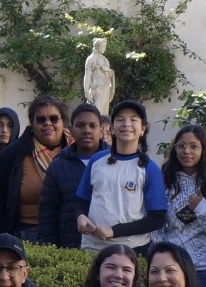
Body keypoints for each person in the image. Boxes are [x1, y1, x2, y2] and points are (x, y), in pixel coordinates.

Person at [71, 100, 168, 253]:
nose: (126, 124)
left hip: (132, 249)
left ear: (142, 129)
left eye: (133, 120)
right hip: (91, 248)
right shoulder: (96, 161)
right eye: (120, 119)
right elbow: (81, 200)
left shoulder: (149, 168)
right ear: (112, 129)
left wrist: (114, 231)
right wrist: (80, 216)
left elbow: (157, 218)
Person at [0, 96, 69, 240]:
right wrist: (3, 239)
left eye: (54, 118)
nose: (48, 123)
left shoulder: (78, 152)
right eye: (40, 119)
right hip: (27, 236)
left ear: (63, 121)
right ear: (32, 123)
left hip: (70, 234)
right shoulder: (12, 156)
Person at [156, 124, 206, 287]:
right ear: (175, 149)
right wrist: (161, 255)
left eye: (193, 146)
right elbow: (157, 225)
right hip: (172, 265)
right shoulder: (164, 182)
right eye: (181, 146)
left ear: (203, 149)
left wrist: (203, 208)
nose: (186, 151)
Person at [36, 103, 104, 247]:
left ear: (102, 130)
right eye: (80, 125)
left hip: (109, 245)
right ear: (71, 131)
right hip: (71, 248)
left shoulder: (115, 161)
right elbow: (48, 215)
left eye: (93, 126)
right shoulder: (59, 165)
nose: (86, 130)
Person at [83, 37, 115, 114]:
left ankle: (103, 126)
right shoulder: (90, 59)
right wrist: (86, 91)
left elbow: (110, 74)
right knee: (96, 111)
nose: (104, 48)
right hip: (95, 88)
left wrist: (106, 69)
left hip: (106, 87)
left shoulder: (105, 60)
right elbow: (87, 76)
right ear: (97, 46)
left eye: (105, 46)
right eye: (103, 46)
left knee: (104, 112)